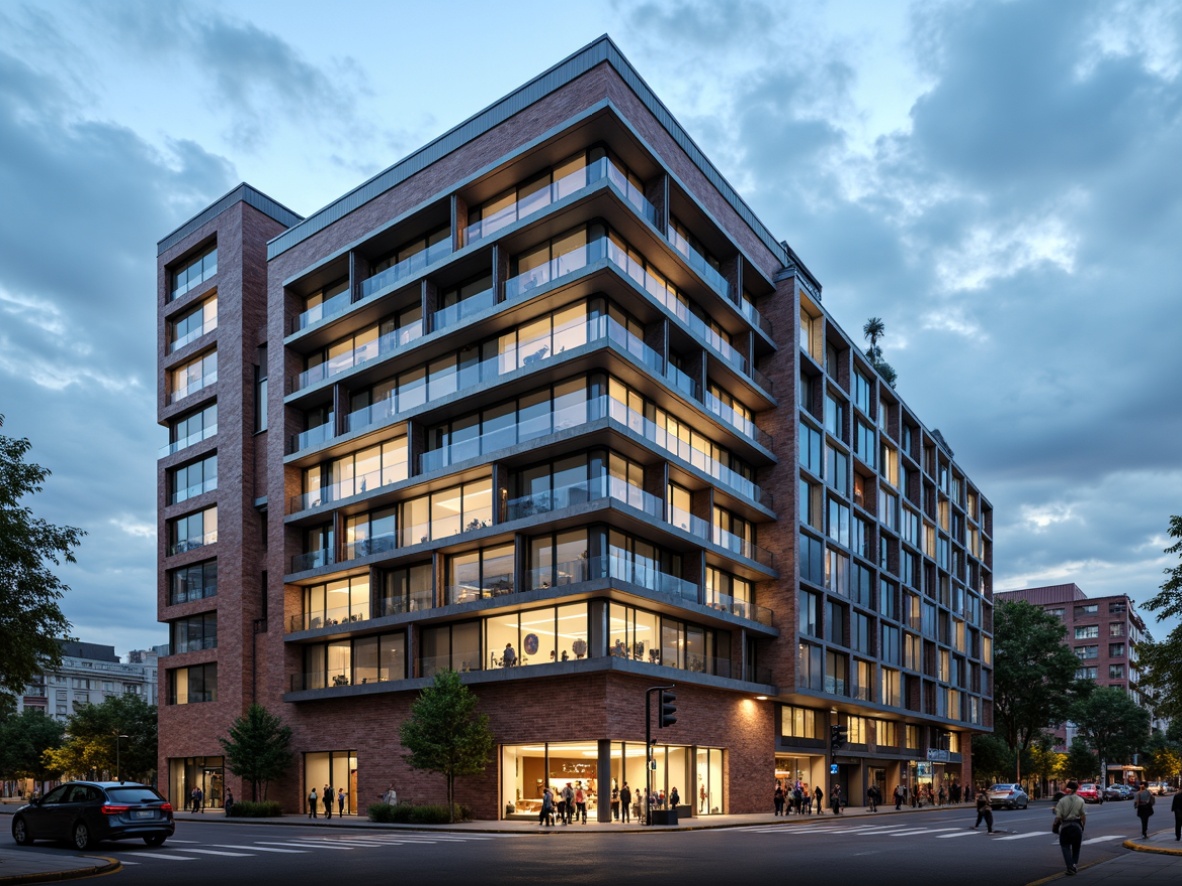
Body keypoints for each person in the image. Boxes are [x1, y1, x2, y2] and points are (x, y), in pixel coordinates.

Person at [1053, 780, 1087, 875]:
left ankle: (1070, 867)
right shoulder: (1081, 800)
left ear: (1068, 789)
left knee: (1065, 847)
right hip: (1077, 826)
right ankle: (1074, 865)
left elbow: (1058, 817)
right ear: (1076, 789)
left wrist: (1055, 825)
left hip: (1065, 827)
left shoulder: (1062, 801)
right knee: (1076, 847)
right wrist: (1083, 826)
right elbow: (1083, 816)